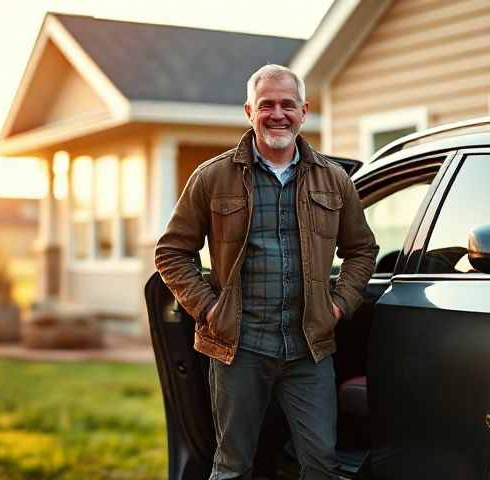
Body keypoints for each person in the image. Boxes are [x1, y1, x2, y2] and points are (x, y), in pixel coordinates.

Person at [155, 64, 377, 480]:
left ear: (304, 111)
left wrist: (340, 305)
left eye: (287, 104)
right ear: (249, 111)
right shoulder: (212, 177)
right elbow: (171, 252)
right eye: (267, 105)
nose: (278, 114)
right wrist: (209, 309)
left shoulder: (334, 180)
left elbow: (362, 250)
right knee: (233, 466)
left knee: (321, 465)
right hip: (238, 348)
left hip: (309, 349)